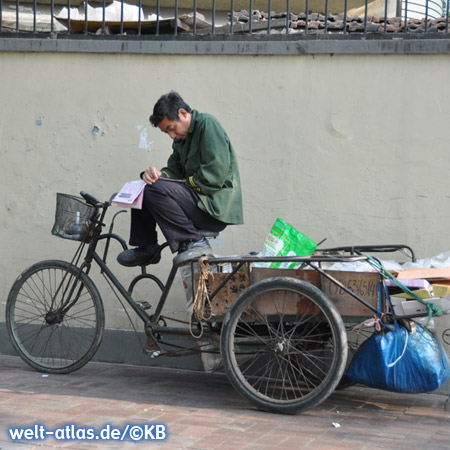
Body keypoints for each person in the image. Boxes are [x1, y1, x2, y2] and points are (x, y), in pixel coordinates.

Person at [117, 91, 244, 267]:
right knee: (145, 186)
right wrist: (157, 175)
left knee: (153, 189)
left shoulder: (207, 124)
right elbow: (173, 171)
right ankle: (147, 247)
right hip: (197, 202)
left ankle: (194, 242)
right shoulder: (181, 140)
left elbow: (215, 175)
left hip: (213, 208)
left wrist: (178, 184)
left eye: (171, 128)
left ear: (183, 114)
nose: (172, 136)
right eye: (166, 132)